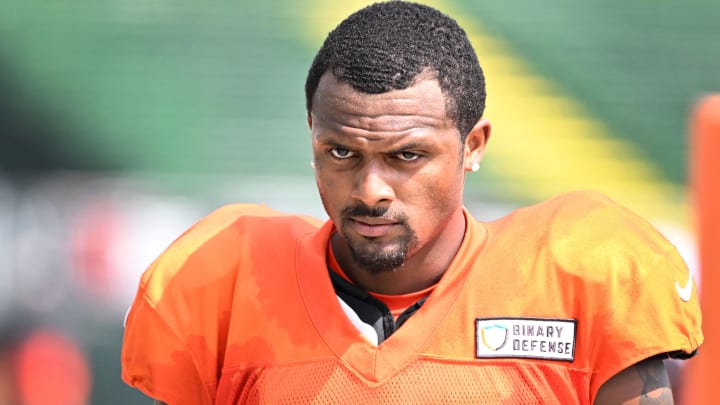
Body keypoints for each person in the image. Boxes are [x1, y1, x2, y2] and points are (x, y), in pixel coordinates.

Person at [121, 2, 703, 404]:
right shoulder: (222, 282)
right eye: (341, 152)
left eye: (406, 157)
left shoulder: (581, 274)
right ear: (312, 136)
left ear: (472, 146)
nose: (371, 190)